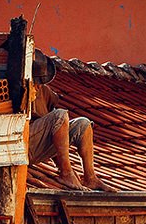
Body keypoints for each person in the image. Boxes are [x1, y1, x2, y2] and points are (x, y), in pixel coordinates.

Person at [28, 51, 114, 191]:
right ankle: (66, 173)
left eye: (41, 81)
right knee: (60, 115)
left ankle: (90, 178)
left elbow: (54, 130)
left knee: (83, 124)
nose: (38, 86)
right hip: (25, 145)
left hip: (39, 147)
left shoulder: (44, 92)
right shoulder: (18, 89)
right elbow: (54, 121)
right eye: (36, 81)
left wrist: (59, 161)